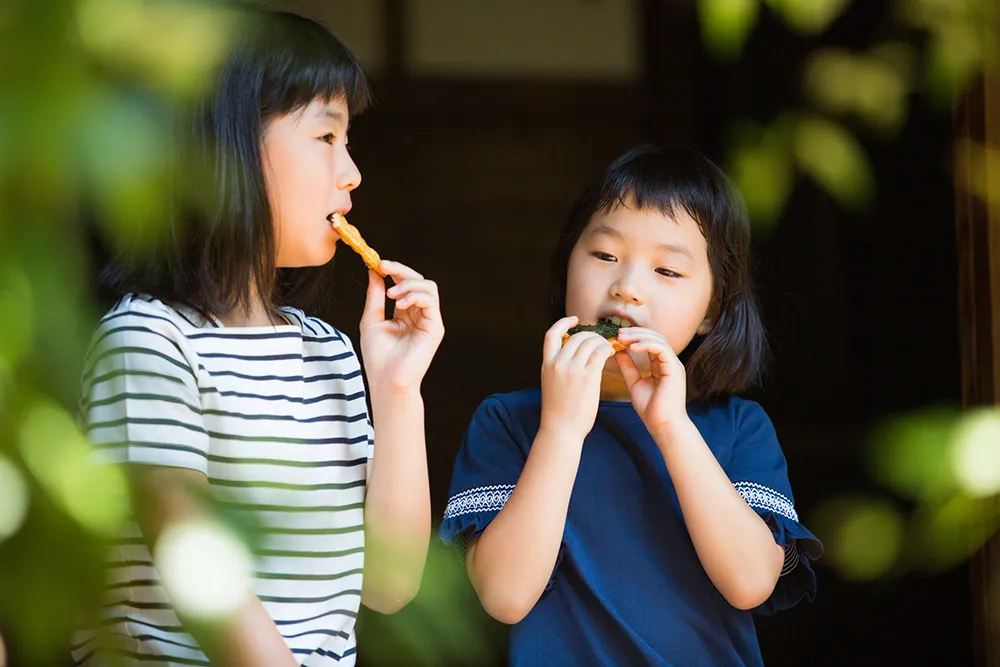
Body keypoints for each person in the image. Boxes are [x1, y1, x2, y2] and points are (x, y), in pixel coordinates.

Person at [71, 9, 443, 666]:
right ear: (229, 150)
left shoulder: (329, 352)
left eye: (347, 139)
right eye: (325, 136)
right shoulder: (149, 342)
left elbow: (390, 584)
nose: (351, 171)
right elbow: (199, 569)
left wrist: (398, 391)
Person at [440, 145, 822, 666]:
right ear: (567, 267)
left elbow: (751, 583)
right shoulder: (508, 422)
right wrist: (561, 430)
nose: (627, 289)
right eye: (604, 256)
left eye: (667, 270)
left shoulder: (739, 428)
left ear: (711, 312)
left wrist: (671, 426)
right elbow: (504, 596)